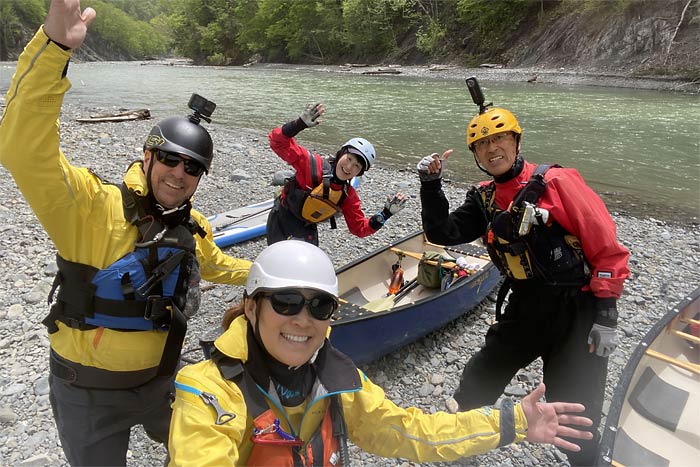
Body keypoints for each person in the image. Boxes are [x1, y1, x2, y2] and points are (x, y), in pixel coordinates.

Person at [0, 1, 251, 465]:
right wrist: (54, 48)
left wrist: (266, 273)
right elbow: (21, 148)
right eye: (171, 159)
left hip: (161, 380)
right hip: (87, 392)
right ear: (148, 156)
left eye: (193, 168)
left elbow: (217, 265)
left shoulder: (192, 228)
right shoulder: (91, 208)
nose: (179, 174)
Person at [168, 239, 594, 466]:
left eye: (319, 306)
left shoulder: (337, 382)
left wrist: (511, 421)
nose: (302, 320)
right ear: (250, 306)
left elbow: (414, 434)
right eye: (285, 302)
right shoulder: (208, 391)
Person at [416, 86, 630, 466]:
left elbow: (607, 248)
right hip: (525, 307)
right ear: (476, 156)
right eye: (482, 144)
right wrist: (431, 186)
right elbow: (441, 233)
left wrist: (606, 314)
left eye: (499, 138)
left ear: (516, 141)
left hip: (575, 310)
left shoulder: (558, 183)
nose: (492, 148)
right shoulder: (483, 198)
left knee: (574, 412)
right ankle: (463, 445)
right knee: (479, 377)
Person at [267, 102, 407, 245]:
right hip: (282, 218)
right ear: (341, 154)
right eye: (349, 158)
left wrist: (385, 214)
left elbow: (359, 228)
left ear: (359, 173)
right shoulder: (312, 165)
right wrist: (299, 124)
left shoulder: (347, 196)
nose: (349, 167)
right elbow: (277, 142)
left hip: (306, 226)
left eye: (357, 166)